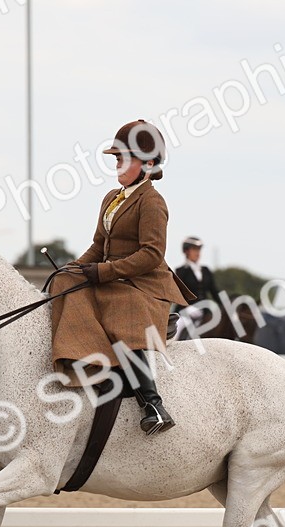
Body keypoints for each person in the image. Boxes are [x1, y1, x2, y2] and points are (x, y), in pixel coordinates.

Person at [48, 119, 196, 435]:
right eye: (117, 158)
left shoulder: (153, 202)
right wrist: (72, 268)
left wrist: (104, 271)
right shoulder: (112, 198)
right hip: (115, 277)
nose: (118, 164)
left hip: (144, 283)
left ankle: (153, 404)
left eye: (124, 158)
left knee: (119, 305)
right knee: (63, 284)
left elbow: (152, 254)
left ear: (149, 163)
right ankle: (85, 360)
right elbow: (98, 245)